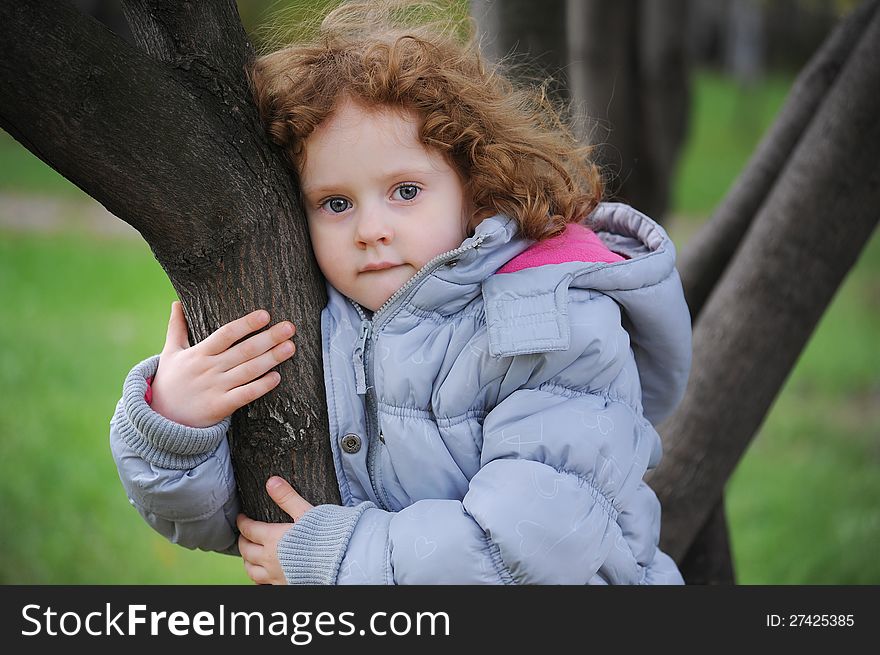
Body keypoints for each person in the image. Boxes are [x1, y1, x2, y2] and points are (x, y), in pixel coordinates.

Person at [109, 0, 691, 585]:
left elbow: (533, 547)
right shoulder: (319, 320)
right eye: (336, 204)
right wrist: (175, 426)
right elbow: (237, 525)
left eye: (406, 191)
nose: (370, 230)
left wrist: (341, 563)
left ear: (475, 182)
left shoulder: (549, 320)